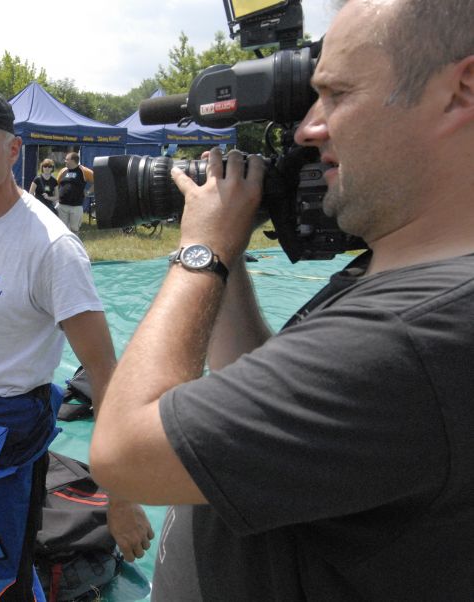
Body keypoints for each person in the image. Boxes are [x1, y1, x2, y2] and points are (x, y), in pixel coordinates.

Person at [90, 1, 474, 600]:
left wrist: (201, 252)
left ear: (460, 91)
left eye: (338, 95)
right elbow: (257, 391)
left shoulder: (409, 335)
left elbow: (124, 453)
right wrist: (231, 252)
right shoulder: (400, 272)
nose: (306, 129)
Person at [0, 84, 153, 601]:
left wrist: (122, 496)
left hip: (9, 436)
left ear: (13, 150)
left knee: (1, 570)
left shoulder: (52, 247)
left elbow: (106, 375)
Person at [55, 152, 93, 233]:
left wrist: (88, 192)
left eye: (67, 159)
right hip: (62, 205)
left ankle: (74, 245)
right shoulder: (63, 170)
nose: (65, 161)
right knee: (62, 229)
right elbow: (55, 184)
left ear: (73, 160)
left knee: (74, 229)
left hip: (76, 206)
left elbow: (97, 180)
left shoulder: (84, 170)